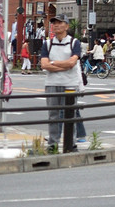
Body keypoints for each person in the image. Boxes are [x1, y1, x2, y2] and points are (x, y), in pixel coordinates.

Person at [40, 13, 87, 150]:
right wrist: (63, 65)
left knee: (69, 115)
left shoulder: (74, 42)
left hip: (70, 84)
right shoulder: (47, 44)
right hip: (52, 83)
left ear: (66, 26)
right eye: (54, 23)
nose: (57, 25)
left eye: (60, 23)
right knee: (53, 115)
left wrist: (53, 63)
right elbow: (44, 65)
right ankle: (53, 144)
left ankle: (70, 144)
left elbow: (72, 63)